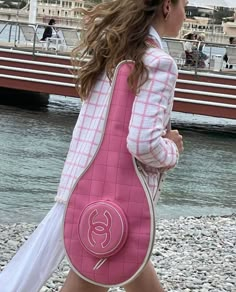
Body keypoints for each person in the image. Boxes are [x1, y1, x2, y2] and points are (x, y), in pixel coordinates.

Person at [0, 0, 185, 291]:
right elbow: (142, 142)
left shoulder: (111, 54)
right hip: (117, 197)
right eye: (184, 6)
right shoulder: (159, 62)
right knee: (100, 272)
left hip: (84, 184)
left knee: (124, 266)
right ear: (166, 7)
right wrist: (171, 148)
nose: (184, 15)